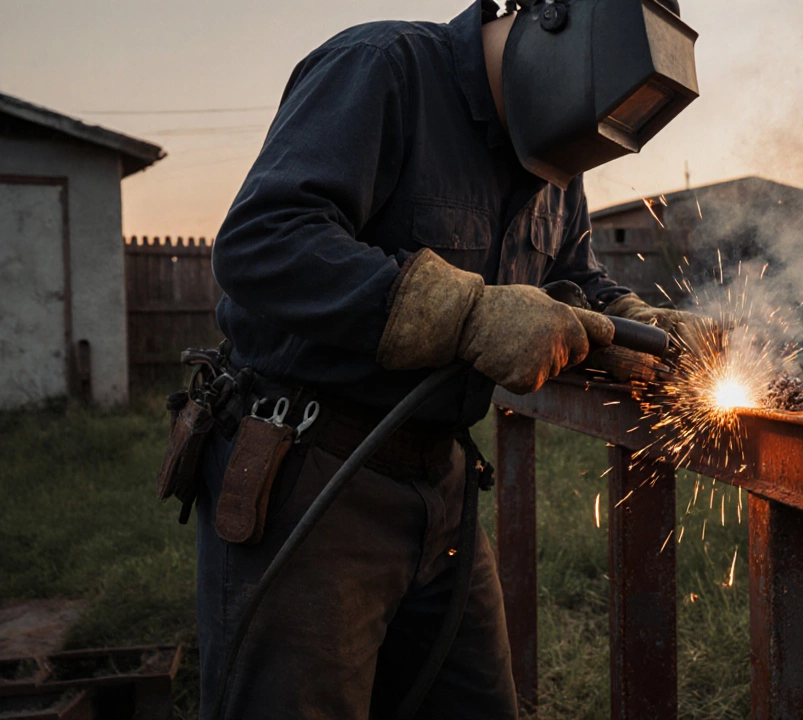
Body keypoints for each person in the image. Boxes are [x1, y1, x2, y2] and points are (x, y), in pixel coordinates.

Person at [189, 0, 702, 717]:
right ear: (549, 17)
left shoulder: (555, 158)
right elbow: (265, 240)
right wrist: (468, 312)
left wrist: (635, 324)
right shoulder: (383, 68)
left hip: (443, 484)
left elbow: (574, 278)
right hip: (313, 472)